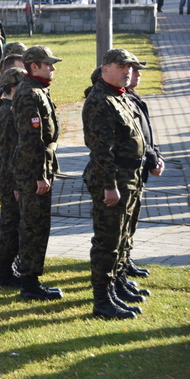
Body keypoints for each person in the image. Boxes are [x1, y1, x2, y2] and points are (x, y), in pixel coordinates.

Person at [82, 48, 148, 319]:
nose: (128, 71)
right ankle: (102, 299)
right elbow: (101, 150)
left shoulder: (119, 96)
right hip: (113, 180)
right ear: (105, 69)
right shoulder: (100, 99)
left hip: (128, 177)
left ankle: (117, 284)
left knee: (121, 237)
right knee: (107, 241)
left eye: (130, 67)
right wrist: (110, 186)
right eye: (122, 66)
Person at [11, 46, 63, 301]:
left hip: (37, 168)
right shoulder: (29, 93)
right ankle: (29, 285)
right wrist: (39, 175)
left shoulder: (38, 89)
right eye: (48, 64)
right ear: (34, 66)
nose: (52, 68)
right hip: (33, 172)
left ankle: (32, 280)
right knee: (33, 227)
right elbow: (32, 140)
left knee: (39, 225)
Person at [124, 62, 164, 278]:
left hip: (139, 170)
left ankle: (125, 259)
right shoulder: (121, 100)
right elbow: (133, 139)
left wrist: (157, 157)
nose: (138, 74)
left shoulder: (133, 97)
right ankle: (119, 266)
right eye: (134, 70)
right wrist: (152, 160)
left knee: (131, 220)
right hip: (126, 173)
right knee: (122, 224)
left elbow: (148, 134)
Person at [0, 67, 26, 287]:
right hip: (9, 175)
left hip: (10, 173)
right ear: (14, 88)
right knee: (10, 224)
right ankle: (5, 274)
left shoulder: (11, 109)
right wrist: (16, 183)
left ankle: (12, 267)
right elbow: (8, 151)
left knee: (14, 222)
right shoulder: (8, 113)